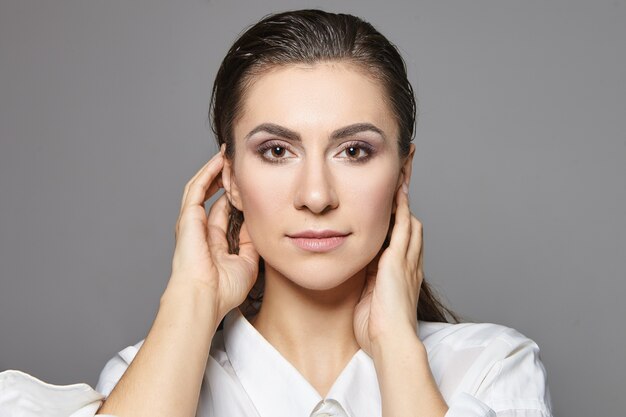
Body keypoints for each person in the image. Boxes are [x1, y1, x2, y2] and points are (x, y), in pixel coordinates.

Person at [0, 9, 552, 417]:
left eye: (354, 151)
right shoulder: (157, 372)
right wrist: (192, 298)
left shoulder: (489, 367)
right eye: (277, 151)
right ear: (231, 178)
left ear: (402, 173)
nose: (316, 195)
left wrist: (396, 348)